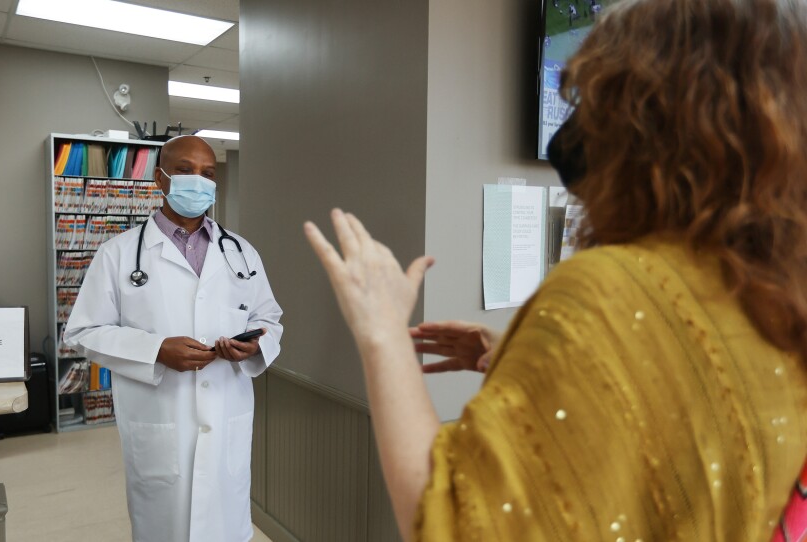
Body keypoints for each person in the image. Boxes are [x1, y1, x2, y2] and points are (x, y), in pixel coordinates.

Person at [304, 0, 807, 540]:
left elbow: (454, 525)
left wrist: (382, 332)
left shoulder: (613, 293)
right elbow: (691, 423)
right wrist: (537, 360)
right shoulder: (779, 297)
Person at [65, 135, 283, 542]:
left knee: (225, 526)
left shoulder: (241, 253)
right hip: (160, 420)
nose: (197, 181)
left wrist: (256, 345)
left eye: (208, 174)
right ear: (159, 177)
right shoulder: (118, 254)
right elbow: (82, 331)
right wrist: (156, 350)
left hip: (225, 417)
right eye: (184, 170)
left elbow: (269, 317)